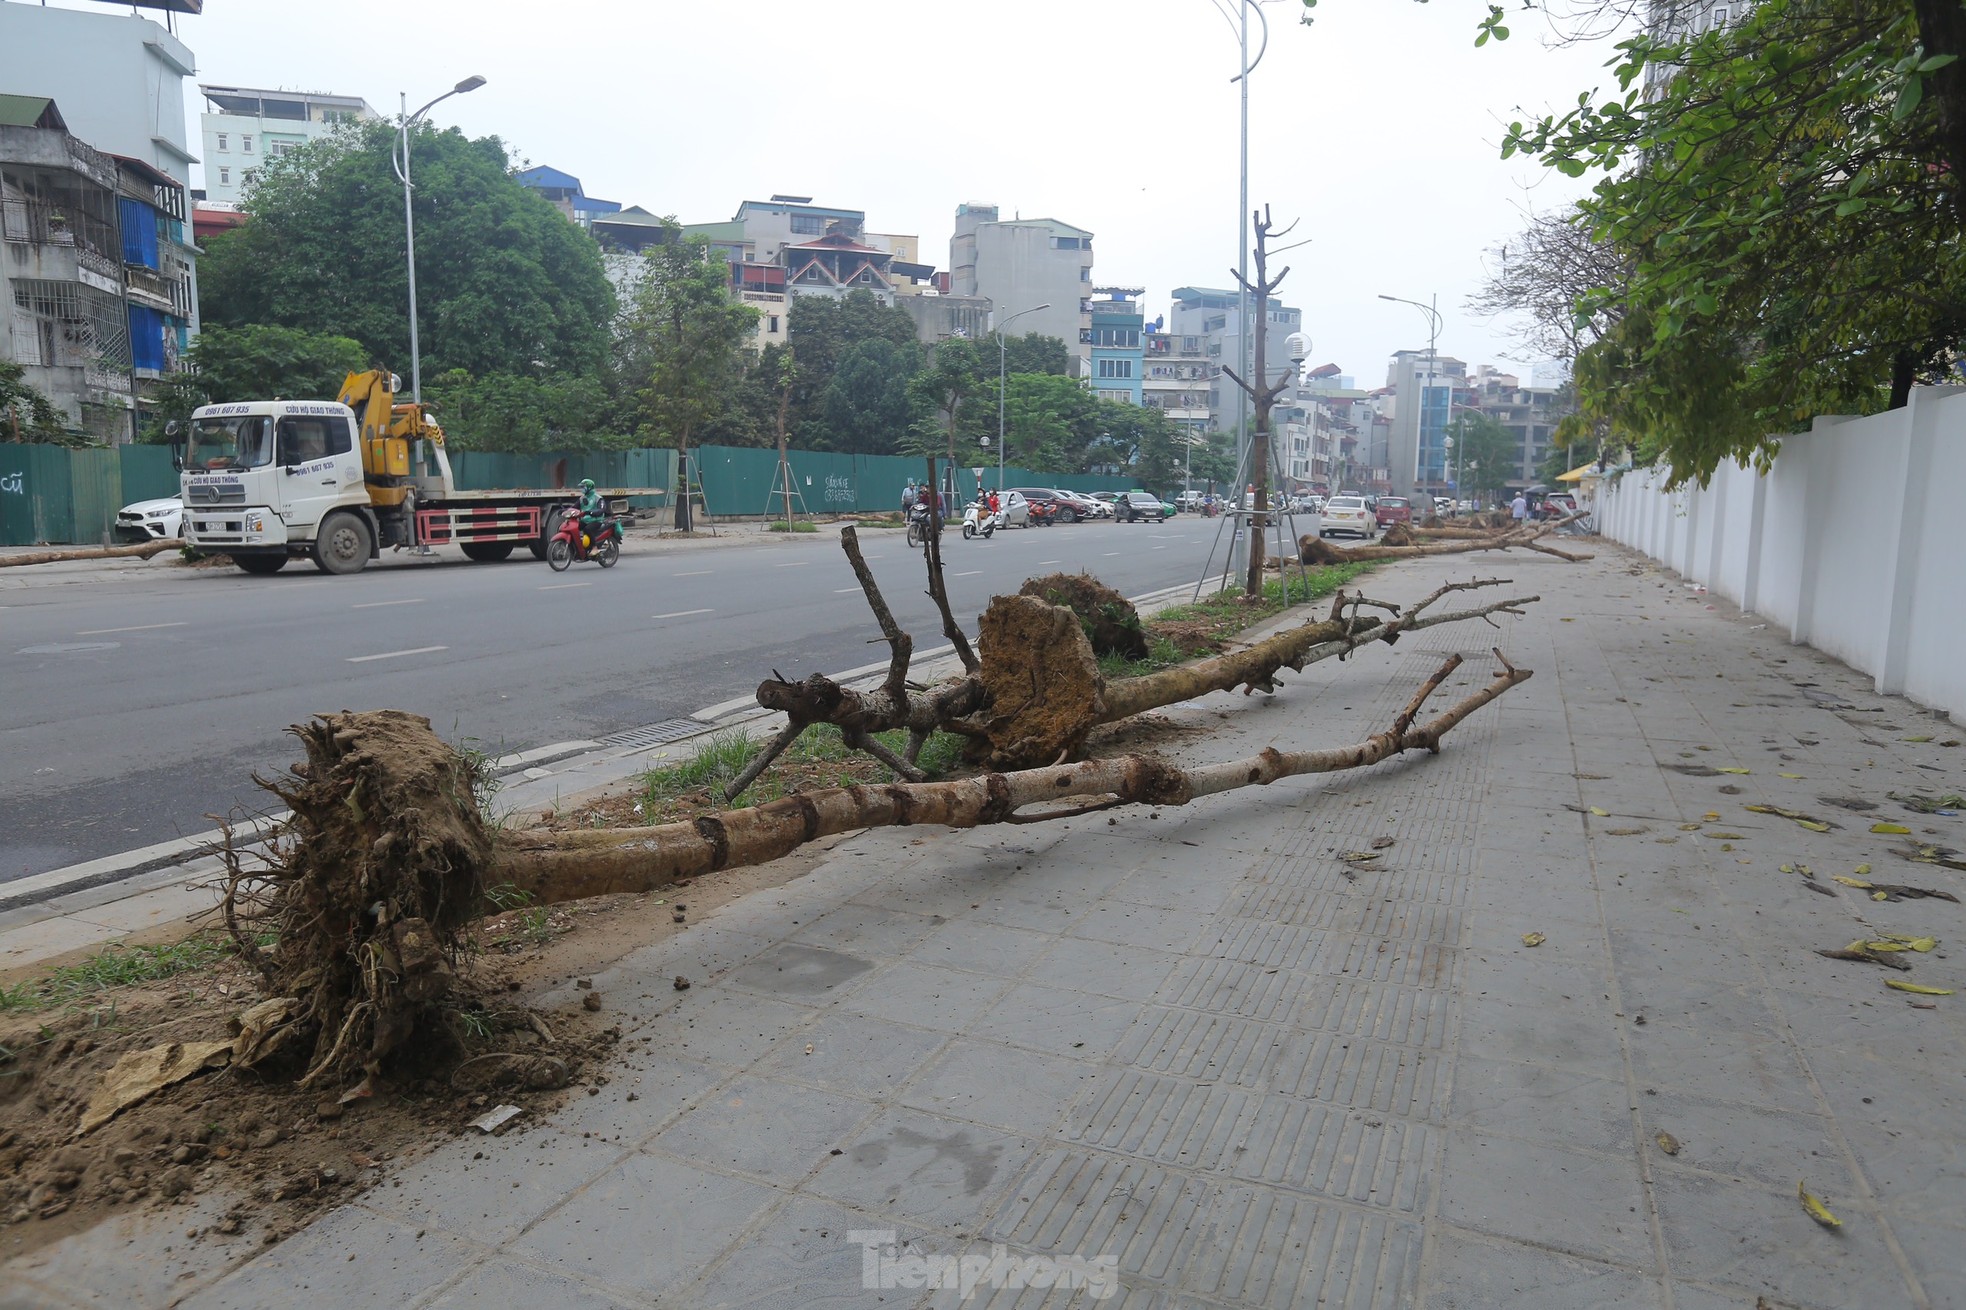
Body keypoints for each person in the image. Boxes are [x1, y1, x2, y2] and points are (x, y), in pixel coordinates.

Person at [577, 478, 608, 545]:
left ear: (589, 487)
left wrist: (591, 512)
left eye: (583, 487)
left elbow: (601, 509)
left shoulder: (598, 498)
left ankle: (594, 547)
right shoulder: (582, 498)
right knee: (574, 527)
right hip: (585, 520)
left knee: (587, 529)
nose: (581, 489)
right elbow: (574, 507)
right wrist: (564, 510)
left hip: (596, 520)